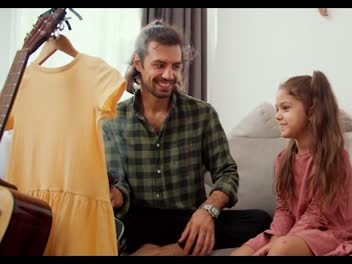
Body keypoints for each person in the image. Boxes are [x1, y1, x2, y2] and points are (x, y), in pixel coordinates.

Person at [101, 19, 272, 256]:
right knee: (103, 229)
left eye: (176, 66)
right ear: (138, 63)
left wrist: (208, 211)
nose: (169, 75)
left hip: (190, 220)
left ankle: (171, 250)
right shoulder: (112, 118)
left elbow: (227, 173)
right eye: (160, 65)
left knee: (260, 220)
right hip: (138, 220)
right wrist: (114, 196)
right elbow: (118, 182)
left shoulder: (202, 114)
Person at [230, 71, 352, 256]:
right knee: (240, 254)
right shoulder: (282, 159)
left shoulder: (335, 158)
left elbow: (317, 215)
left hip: (328, 232)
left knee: (281, 249)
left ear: (311, 112)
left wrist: (280, 244)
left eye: (285, 108)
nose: (277, 116)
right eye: (277, 109)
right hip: (296, 232)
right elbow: (284, 210)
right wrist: (276, 237)